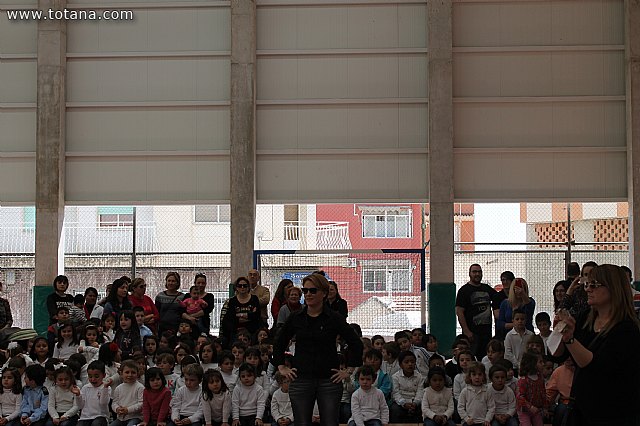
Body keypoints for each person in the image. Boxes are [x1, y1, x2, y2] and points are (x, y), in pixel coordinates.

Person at [555, 264, 640, 426]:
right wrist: (560, 332)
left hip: (614, 413)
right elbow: (558, 355)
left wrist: (570, 340)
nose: (587, 289)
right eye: (587, 284)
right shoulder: (585, 318)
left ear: (613, 288)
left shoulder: (627, 329)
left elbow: (595, 365)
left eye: (594, 285)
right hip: (582, 410)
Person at [273, 273, 363, 426]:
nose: (308, 294)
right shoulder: (296, 317)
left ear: (324, 293)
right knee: (301, 423)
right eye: (305, 290)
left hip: (329, 379)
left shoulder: (334, 318)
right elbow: (279, 342)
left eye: (313, 290)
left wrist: (348, 371)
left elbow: (356, 343)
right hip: (300, 378)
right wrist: (281, 366)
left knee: (329, 423)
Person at [455, 264, 499, 358]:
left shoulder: (487, 289)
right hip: (472, 334)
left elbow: (499, 298)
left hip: (487, 333)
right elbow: (459, 312)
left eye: (479, 272)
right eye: (474, 272)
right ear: (469, 274)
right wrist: (466, 331)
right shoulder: (463, 291)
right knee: (471, 359)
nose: (477, 274)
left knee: (485, 358)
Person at [220, 277, 262, 347]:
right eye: (240, 286)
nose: (242, 287)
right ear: (236, 288)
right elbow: (231, 317)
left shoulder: (254, 299)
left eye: (245, 285)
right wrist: (248, 315)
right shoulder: (232, 301)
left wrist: (239, 315)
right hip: (236, 330)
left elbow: (256, 315)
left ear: (248, 287)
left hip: (252, 330)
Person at [73, 361, 112, 426]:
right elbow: (80, 406)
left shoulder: (106, 388)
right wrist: (78, 395)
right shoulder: (85, 387)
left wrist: (105, 389)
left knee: (96, 424)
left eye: (96, 376)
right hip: (85, 417)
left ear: (104, 375)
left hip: (101, 417)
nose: (93, 379)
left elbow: (103, 403)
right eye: (90, 376)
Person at [457, 362, 495, 426]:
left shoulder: (487, 391)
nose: (477, 377)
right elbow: (460, 407)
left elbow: (491, 407)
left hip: (483, 422)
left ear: (483, 376)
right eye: (474, 374)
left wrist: (487, 419)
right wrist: (466, 419)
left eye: (480, 374)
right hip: (469, 422)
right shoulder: (465, 391)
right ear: (470, 376)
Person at [515, 351, 547, 426]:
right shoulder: (523, 380)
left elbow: (543, 393)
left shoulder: (540, 378)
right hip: (524, 411)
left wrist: (545, 407)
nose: (543, 364)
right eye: (540, 362)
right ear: (532, 364)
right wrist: (530, 407)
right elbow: (519, 397)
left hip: (536, 410)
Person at [111, 360, 144, 426]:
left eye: (133, 372)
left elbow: (141, 403)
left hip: (135, 417)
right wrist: (117, 409)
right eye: (127, 372)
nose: (130, 375)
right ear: (121, 374)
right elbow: (114, 403)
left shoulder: (140, 387)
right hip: (121, 418)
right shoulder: (118, 388)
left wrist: (128, 410)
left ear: (137, 374)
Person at [494, 271, 514, 339]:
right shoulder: (497, 297)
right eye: (503, 280)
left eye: (507, 280)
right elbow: (497, 315)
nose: (505, 282)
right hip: (502, 333)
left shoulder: (517, 295)